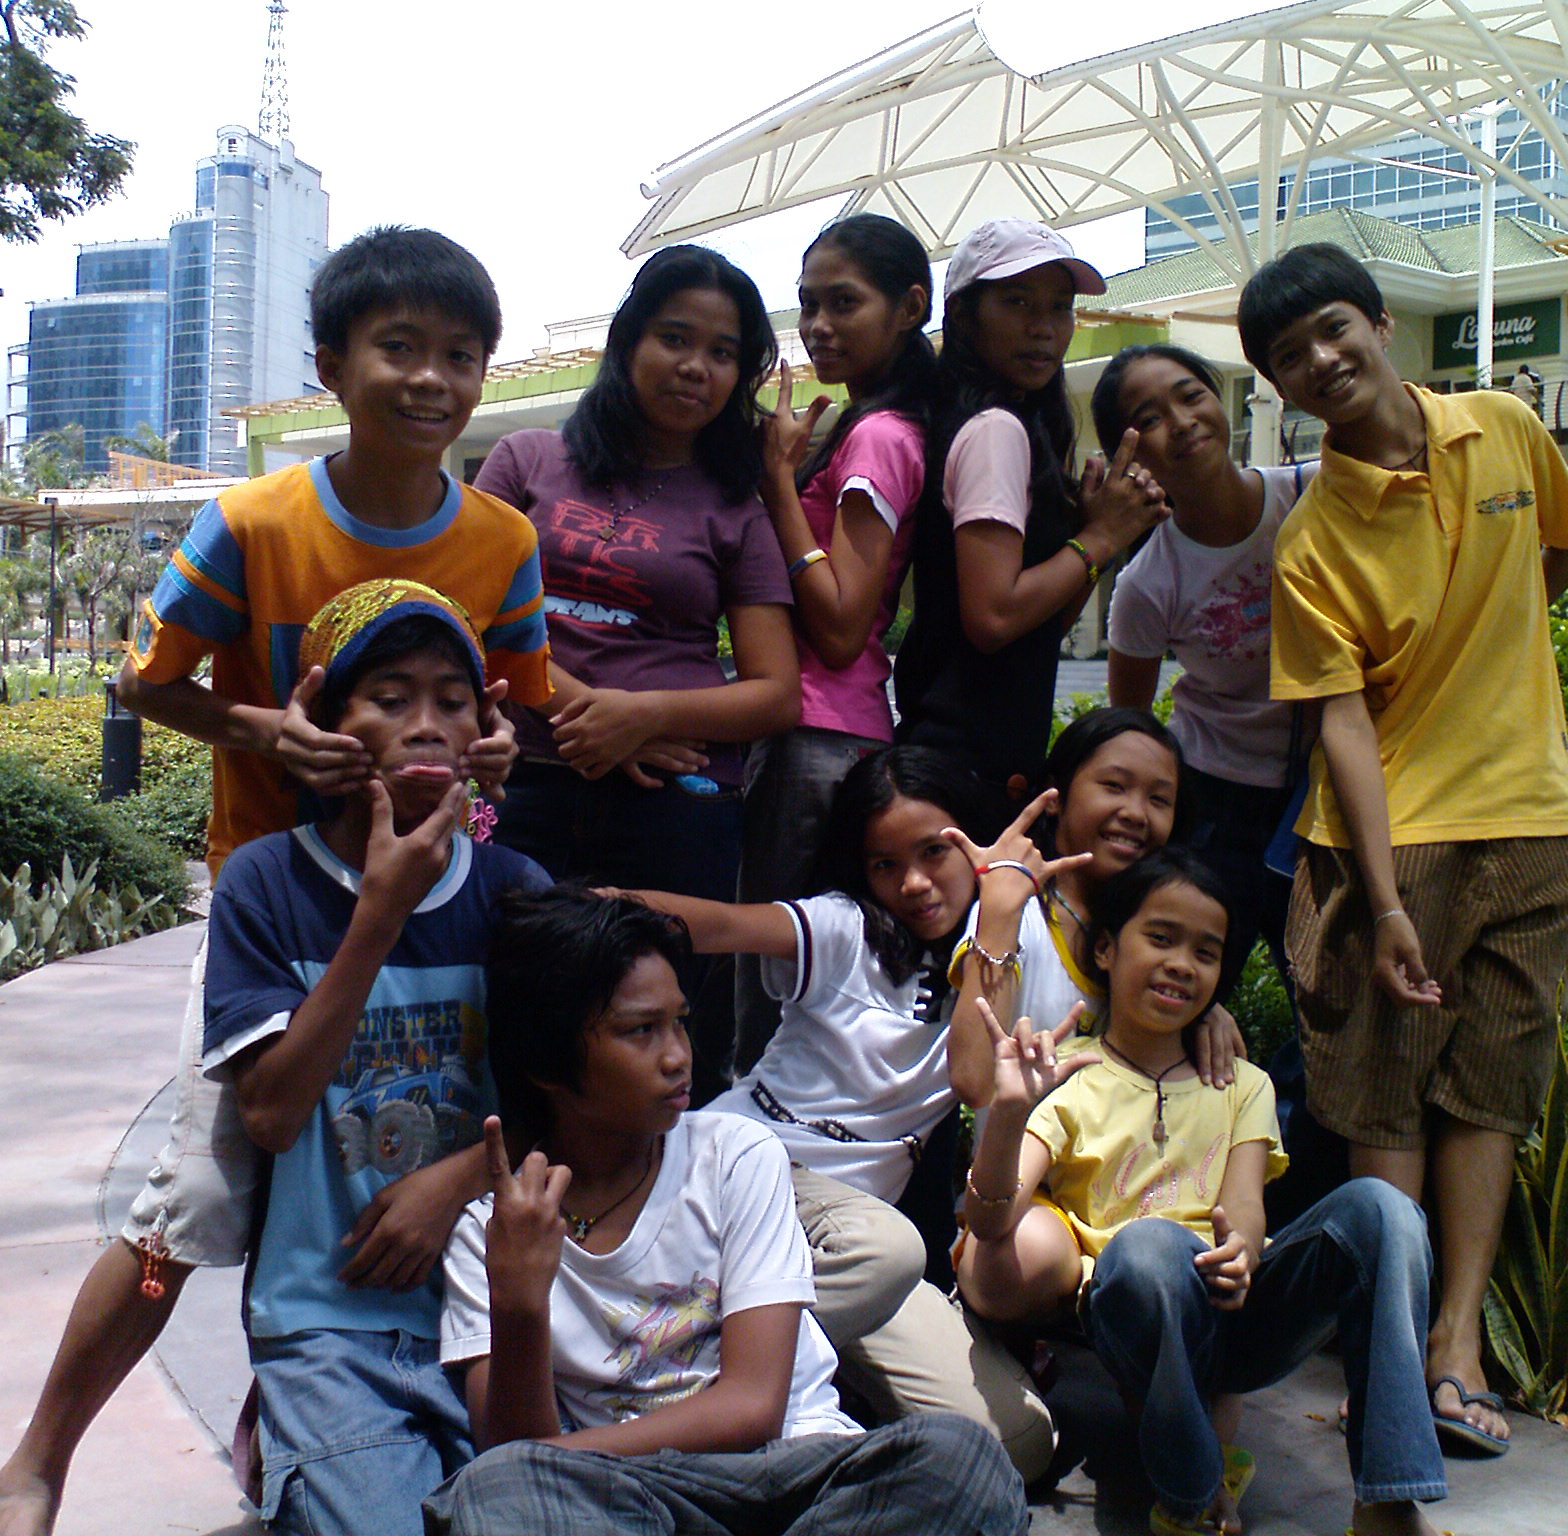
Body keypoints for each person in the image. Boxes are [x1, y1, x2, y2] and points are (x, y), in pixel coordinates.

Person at [0, 227, 555, 1536]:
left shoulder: (504, 540)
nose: (431, 380)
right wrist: (263, 733)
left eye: (459, 356)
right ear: (331, 365)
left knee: (445, 1152)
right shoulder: (251, 520)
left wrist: (502, 746)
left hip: (442, 900)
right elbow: (144, 683)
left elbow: (514, 706)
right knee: (191, 1206)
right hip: (279, 906)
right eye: (398, 348)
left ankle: (313, 1426)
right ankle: (40, 1458)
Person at [1244, 241, 1568, 1457]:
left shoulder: (1502, 425)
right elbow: (1335, 722)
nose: (1320, 361)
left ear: (1381, 323)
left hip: (1534, 820)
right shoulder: (1311, 541)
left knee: (1490, 1087)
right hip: (1382, 844)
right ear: (1280, 390)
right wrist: (1383, 902)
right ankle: (1394, 1351)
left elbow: (1563, 549)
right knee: (1385, 1089)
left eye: (1331, 331)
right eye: (1289, 358)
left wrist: (1491, 669)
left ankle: (1459, 1340)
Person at [421, 887, 1027, 1536]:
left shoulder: (733, 1155)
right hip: (642, 1501)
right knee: (494, 1496)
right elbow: (513, 1459)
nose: (679, 1054)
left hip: (796, 1473)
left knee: (963, 1462)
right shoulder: (488, 1232)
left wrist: (543, 1463)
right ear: (547, 1062)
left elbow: (753, 1409)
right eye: (640, 1030)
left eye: (679, 1021)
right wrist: (519, 1302)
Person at [956, 848, 1445, 1536]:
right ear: (1105, 949)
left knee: (1387, 1210)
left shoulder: (1241, 1083)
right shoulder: (1067, 1079)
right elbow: (986, 1219)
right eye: (1160, 939)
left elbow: (1246, 1198)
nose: (1183, 964)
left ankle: (1388, 1500)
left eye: (1206, 952)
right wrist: (1008, 1114)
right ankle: (1192, 1492)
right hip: (1133, 1308)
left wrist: (1244, 1246)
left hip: (1237, 1309)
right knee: (1153, 1244)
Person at [200, 583, 553, 1535]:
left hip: (491, 1313)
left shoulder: (516, 890)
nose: (427, 727)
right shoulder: (266, 885)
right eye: (390, 700)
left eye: (451, 700)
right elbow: (271, 1115)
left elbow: (566, 1105)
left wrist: (452, 1183)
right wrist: (381, 915)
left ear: (489, 723)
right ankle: (294, 1447)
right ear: (324, 722)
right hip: (326, 1320)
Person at [618, 746, 1054, 1481]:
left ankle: (716, 1387)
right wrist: (573, 904)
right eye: (885, 864)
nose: (912, 883)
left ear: (972, 844)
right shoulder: (845, 927)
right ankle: (687, 1401)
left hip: (838, 1250)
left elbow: (976, 1075)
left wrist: (1003, 910)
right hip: (757, 1172)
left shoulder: (1012, 937)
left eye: (933, 852)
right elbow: (717, 924)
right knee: (890, 1250)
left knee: (1018, 1441)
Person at [473, 245, 798, 1103]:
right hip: (521, 785)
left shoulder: (735, 506)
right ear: (628, 341)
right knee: (503, 1007)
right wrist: (589, 715)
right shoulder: (526, 460)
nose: (696, 367)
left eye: (723, 352)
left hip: (672, 807)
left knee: (651, 1032)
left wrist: (639, 717)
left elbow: (775, 691)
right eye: (675, 338)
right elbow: (462, 618)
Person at [736, 213, 936, 1072]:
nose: (819, 325)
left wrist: (779, 484)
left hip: (819, 737)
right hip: (823, 738)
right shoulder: (862, 425)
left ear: (909, 308)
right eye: (808, 304)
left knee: (777, 991)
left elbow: (847, 620)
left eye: (843, 303)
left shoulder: (880, 438)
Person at [893, 217, 1168, 805]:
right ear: (963, 314)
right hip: (960, 766)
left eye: (1059, 307)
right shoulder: (996, 431)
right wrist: (1100, 537)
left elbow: (1038, 630)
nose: (1043, 328)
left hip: (975, 762)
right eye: (1017, 302)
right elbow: (993, 620)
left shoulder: (1002, 425)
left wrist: (1093, 540)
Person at [1094, 343, 1313, 998]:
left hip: (1329, 779)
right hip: (1218, 799)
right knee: (1197, 995)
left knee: (1327, 987)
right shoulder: (1146, 583)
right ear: (1127, 456)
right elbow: (1130, 729)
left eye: (1191, 394)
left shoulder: (1311, 493)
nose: (1183, 420)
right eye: (1150, 417)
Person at [943, 707, 1238, 1112]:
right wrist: (997, 910)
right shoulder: (1019, 915)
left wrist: (1202, 1009)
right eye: (1114, 786)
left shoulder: (1163, 938)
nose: (1136, 813)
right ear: (1054, 796)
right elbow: (973, 1081)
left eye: (1158, 799)